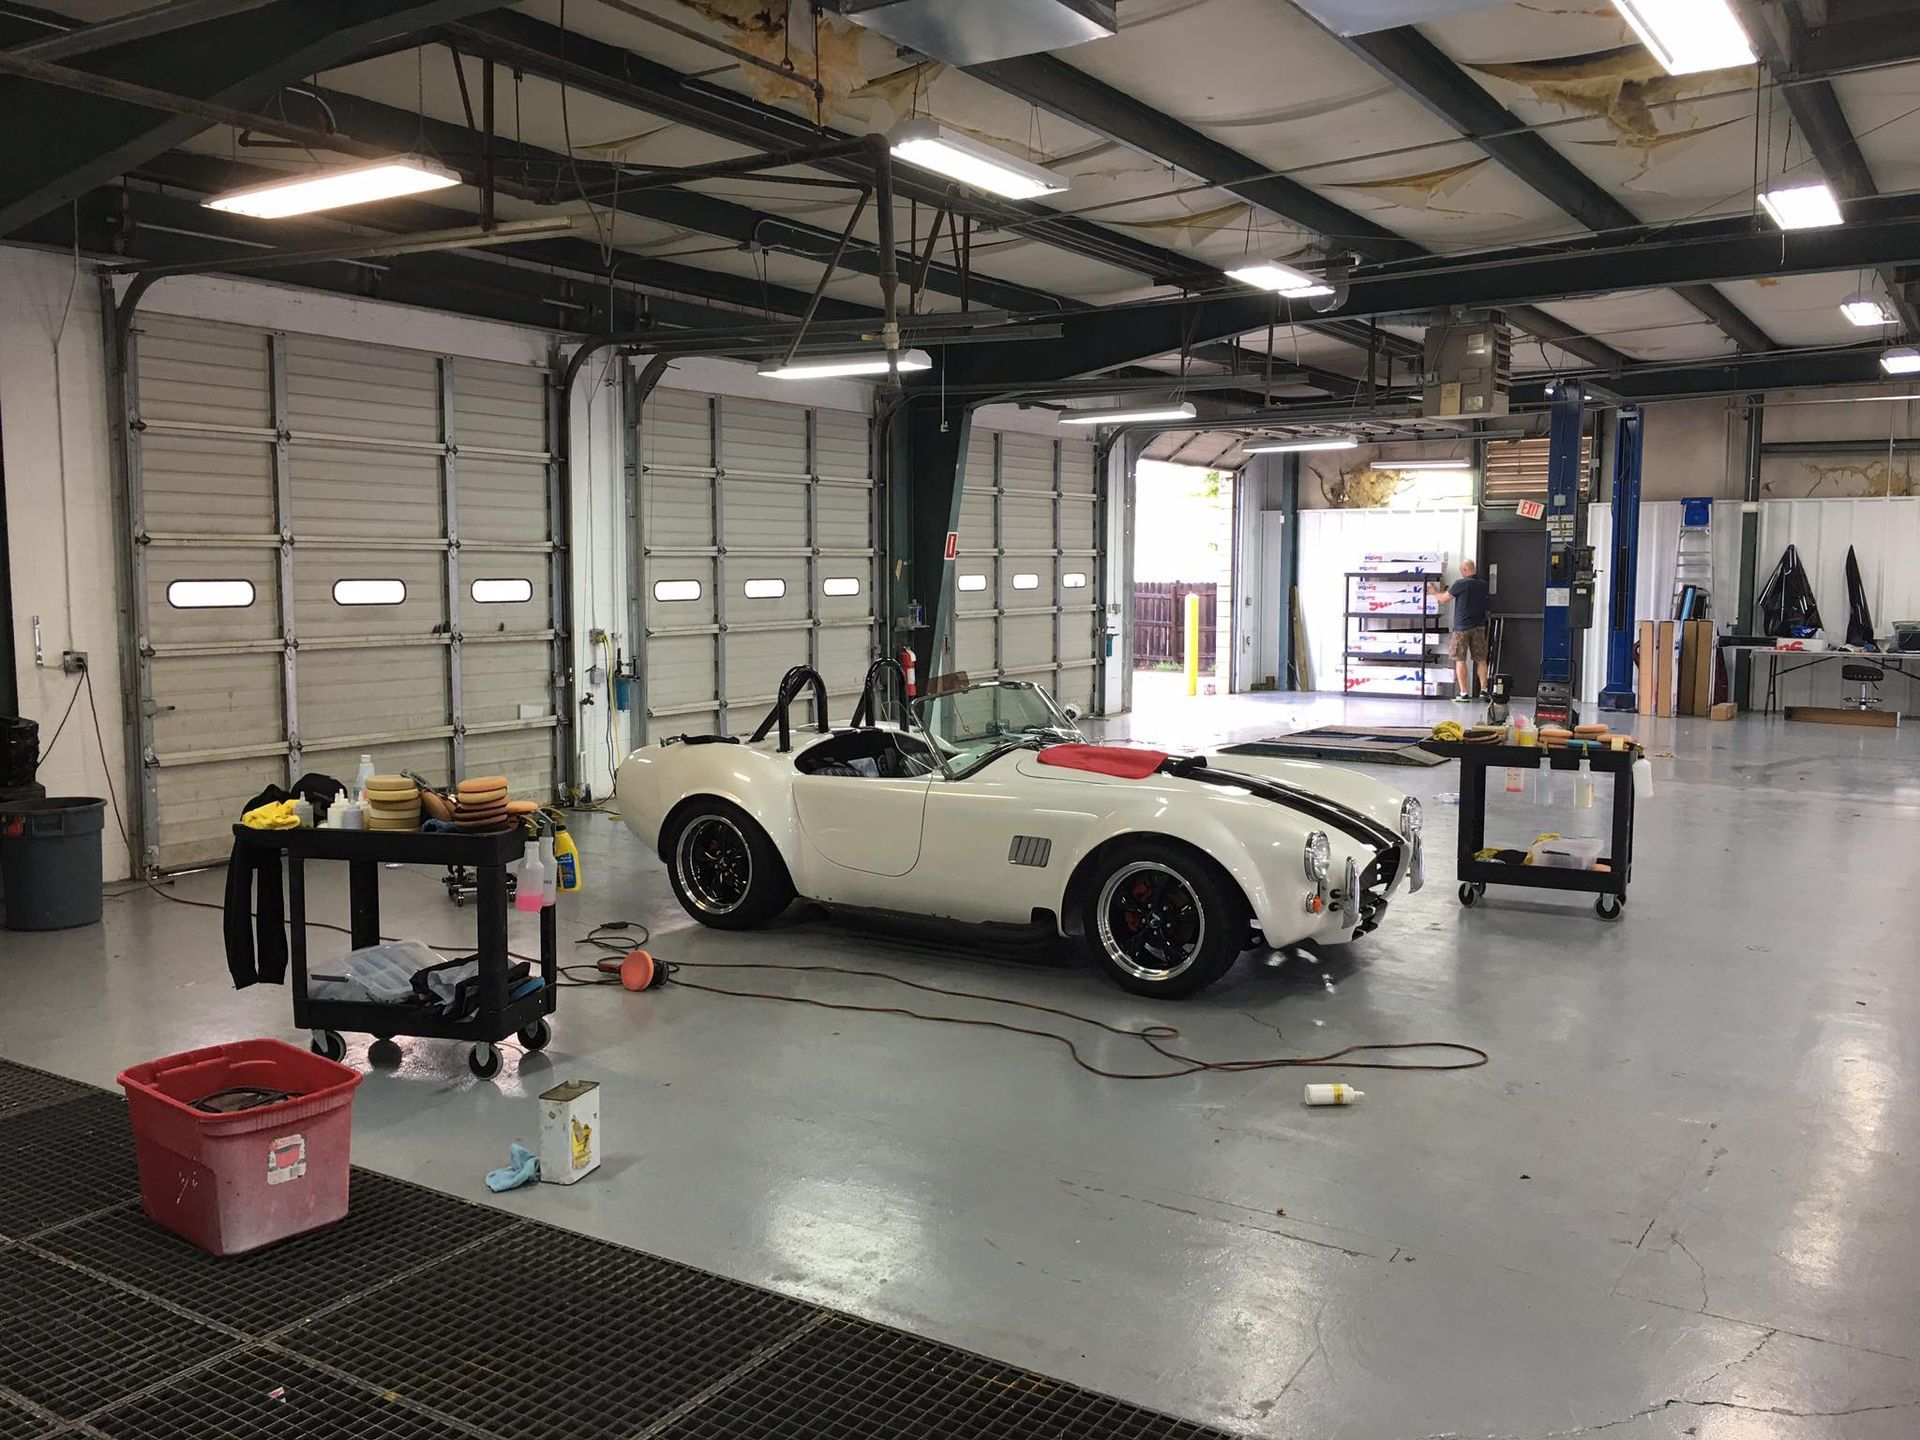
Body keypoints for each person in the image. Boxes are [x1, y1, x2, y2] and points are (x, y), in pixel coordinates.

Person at [1429, 560, 1490, 702]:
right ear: (1473, 569)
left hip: (1462, 628)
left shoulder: (1460, 584)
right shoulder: (1483, 585)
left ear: (1464, 569)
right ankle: (1484, 691)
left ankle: (1463, 694)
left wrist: (1434, 592)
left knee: (1460, 659)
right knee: (1481, 659)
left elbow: (1443, 599)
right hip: (1479, 627)